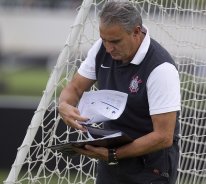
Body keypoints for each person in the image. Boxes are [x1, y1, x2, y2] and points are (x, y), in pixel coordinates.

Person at [58, 1, 181, 184]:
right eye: (104, 39)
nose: (108, 48)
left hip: (150, 168)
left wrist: (114, 154)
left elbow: (163, 137)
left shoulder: (161, 69)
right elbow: (74, 89)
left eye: (115, 41)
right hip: (111, 160)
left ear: (136, 32)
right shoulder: (102, 48)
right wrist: (64, 105)